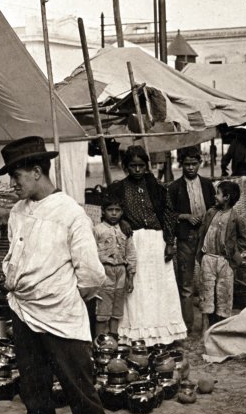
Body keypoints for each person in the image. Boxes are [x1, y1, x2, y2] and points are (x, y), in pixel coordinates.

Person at [0, 135, 111, 414]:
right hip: (24, 314)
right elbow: (15, 256)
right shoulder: (18, 212)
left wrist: (63, 297)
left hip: (61, 318)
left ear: (37, 171)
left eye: (16, 176)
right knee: (35, 396)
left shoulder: (70, 213)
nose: (13, 184)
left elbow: (91, 275)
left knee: (81, 394)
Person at [108, 145, 186, 346]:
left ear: (146, 166)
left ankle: (163, 334)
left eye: (141, 166)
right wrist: (122, 220)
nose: (137, 170)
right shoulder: (119, 188)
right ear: (126, 167)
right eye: (132, 166)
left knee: (160, 286)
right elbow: (109, 211)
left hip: (156, 241)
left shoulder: (157, 187)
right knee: (138, 286)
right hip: (134, 241)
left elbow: (169, 214)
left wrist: (169, 242)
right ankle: (136, 333)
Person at [167, 147, 216, 332]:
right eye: (186, 164)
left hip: (206, 239)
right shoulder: (174, 188)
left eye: (193, 164)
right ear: (181, 165)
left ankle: (209, 325)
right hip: (185, 238)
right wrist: (185, 217)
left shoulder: (207, 184)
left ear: (200, 163)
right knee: (186, 284)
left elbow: (215, 208)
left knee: (208, 280)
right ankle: (186, 325)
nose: (190, 168)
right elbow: (168, 214)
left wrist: (207, 218)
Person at [195, 180, 246, 332]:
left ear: (226, 197)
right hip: (208, 258)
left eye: (218, 193)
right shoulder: (210, 213)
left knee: (224, 294)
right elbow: (202, 232)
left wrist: (234, 250)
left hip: (225, 262)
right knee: (206, 293)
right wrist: (200, 252)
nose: (215, 196)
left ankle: (222, 329)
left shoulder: (236, 217)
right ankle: (205, 329)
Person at [91, 190, 136, 338]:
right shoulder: (97, 230)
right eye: (110, 210)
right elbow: (91, 252)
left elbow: (131, 253)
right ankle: (100, 341)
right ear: (103, 211)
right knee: (103, 307)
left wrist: (131, 276)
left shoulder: (125, 230)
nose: (114, 213)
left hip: (121, 271)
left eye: (117, 210)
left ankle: (113, 338)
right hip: (105, 271)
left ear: (122, 212)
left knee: (117, 307)